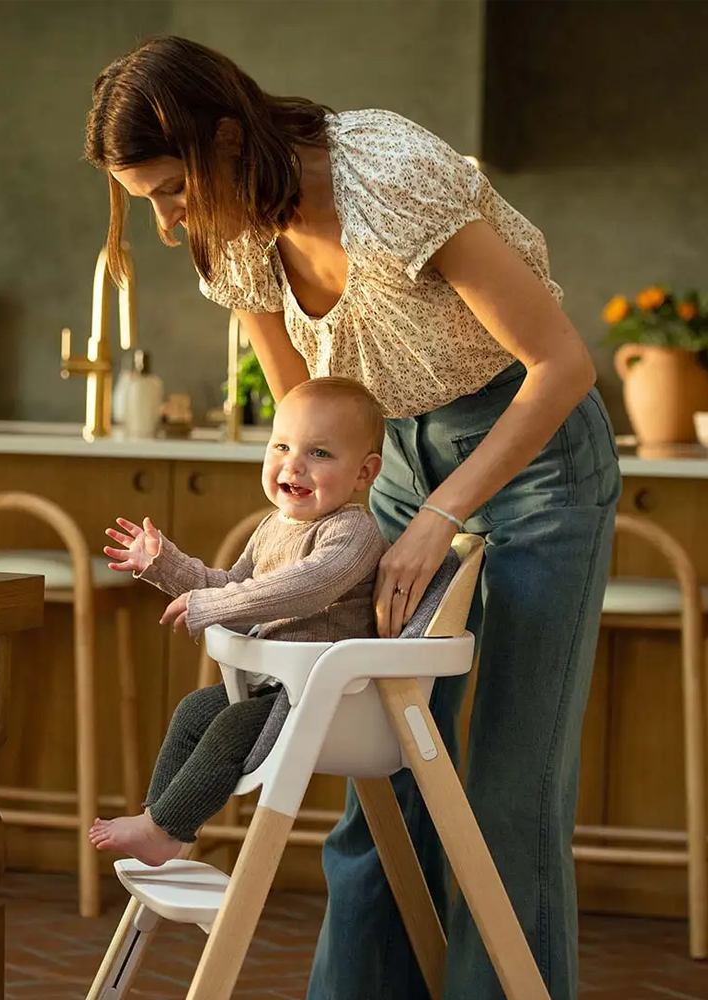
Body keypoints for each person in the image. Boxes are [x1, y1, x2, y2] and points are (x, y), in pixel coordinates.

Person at [84, 35, 622, 1000]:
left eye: (171, 191)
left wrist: (438, 516)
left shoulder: (393, 177)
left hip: (532, 458)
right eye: (149, 202)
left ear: (223, 136)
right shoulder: (233, 233)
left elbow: (563, 367)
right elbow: (307, 407)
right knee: (388, 769)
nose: (167, 225)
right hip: (386, 462)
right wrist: (303, 528)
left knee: (505, 791)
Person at [89, 376, 388, 866]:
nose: (294, 465)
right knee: (193, 711)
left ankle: (164, 827)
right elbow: (229, 583)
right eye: (282, 447)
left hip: (328, 695)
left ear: (363, 473)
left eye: (320, 454)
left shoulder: (352, 531)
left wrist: (211, 608)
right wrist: (163, 564)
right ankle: (159, 822)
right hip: (278, 686)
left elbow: (308, 585)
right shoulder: (273, 527)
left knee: (228, 728)